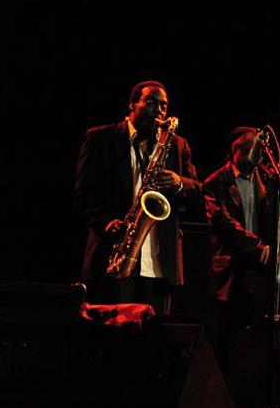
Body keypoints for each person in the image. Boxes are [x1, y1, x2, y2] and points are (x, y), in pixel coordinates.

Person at [74, 80, 202, 314]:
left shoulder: (177, 145)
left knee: (156, 334)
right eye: (151, 102)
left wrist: (179, 183)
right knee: (112, 331)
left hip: (160, 265)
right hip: (113, 257)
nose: (158, 110)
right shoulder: (100, 138)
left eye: (163, 106)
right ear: (132, 105)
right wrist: (105, 222)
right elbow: (84, 193)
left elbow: (198, 192)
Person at [203, 126, 280, 353]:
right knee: (225, 339)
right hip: (230, 271)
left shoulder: (267, 178)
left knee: (256, 339)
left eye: (259, 150)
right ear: (234, 151)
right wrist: (257, 246)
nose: (257, 155)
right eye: (250, 149)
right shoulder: (215, 182)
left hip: (260, 269)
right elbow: (223, 223)